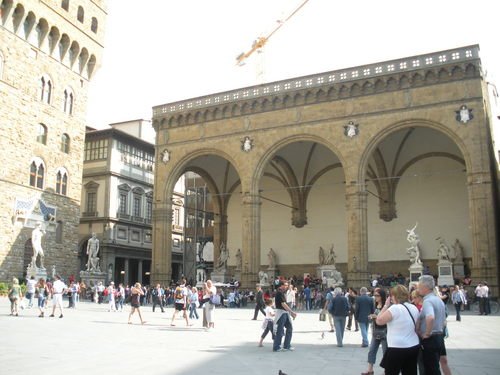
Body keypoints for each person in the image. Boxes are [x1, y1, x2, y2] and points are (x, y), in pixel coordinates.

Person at [376, 284, 420, 375]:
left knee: (391, 372)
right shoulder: (414, 308)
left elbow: (379, 321)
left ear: (395, 296)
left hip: (397, 347)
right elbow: (417, 327)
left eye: (391, 295)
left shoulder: (395, 308)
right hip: (413, 345)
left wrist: (385, 306)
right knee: (410, 372)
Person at [417, 275, 446, 375]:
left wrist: (427, 333)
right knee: (434, 367)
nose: (418, 289)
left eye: (419, 286)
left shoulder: (427, 301)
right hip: (439, 337)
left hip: (431, 339)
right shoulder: (438, 300)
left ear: (425, 287)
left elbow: (430, 317)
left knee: (430, 369)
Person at [362, 289, 388, 375]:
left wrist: (376, 316)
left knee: (385, 352)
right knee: (372, 350)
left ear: (382, 296)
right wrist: (372, 317)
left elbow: (386, 318)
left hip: (385, 331)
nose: (375, 297)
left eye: (377, 295)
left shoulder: (386, 306)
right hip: (376, 330)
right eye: (375, 295)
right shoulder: (376, 305)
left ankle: (386, 371)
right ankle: (370, 369)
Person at [272, 281, 297, 352]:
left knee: (289, 328)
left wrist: (291, 313)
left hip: (284, 312)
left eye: (287, 285)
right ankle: (276, 347)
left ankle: (287, 345)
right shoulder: (279, 292)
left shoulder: (282, 292)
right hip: (281, 313)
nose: (287, 287)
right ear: (281, 286)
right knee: (280, 330)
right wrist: (291, 312)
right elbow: (283, 304)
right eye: (285, 285)